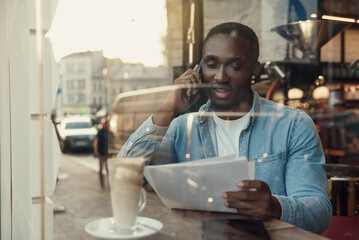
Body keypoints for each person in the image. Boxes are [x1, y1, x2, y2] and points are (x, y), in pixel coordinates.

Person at [118, 22, 332, 234]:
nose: (220, 76)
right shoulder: (182, 128)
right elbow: (123, 177)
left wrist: (275, 206)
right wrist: (166, 110)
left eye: (234, 66)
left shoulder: (293, 125)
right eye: (211, 64)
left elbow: (319, 213)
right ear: (199, 69)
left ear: (254, 70)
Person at [93, 117, 110, 189]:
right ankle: (102, 185)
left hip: (108, 154)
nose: (106, 125)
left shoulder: (109, 132)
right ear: (103, 124)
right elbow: (96, 143)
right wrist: (96, 152)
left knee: (108, 170)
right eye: (105, 124)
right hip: (101, 153)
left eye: (107, 124)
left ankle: (109, 185)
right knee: (101, 170)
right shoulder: (100, 132)